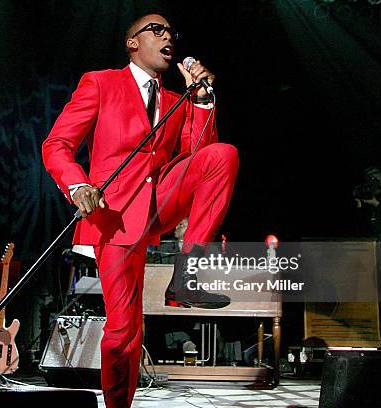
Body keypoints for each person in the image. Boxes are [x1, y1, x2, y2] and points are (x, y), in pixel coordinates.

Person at [42, 13, 239, 408]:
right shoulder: (100, 82)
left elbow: (199, 157)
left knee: (224, 155)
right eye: (157, 30)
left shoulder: (174, 100)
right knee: (125, 332)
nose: (168, 37)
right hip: (113, 215)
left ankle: (188, 273)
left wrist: (200, 99)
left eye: (171, 33)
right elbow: (56, 145)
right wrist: (78, 184)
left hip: (161, 200)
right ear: (132, 42)